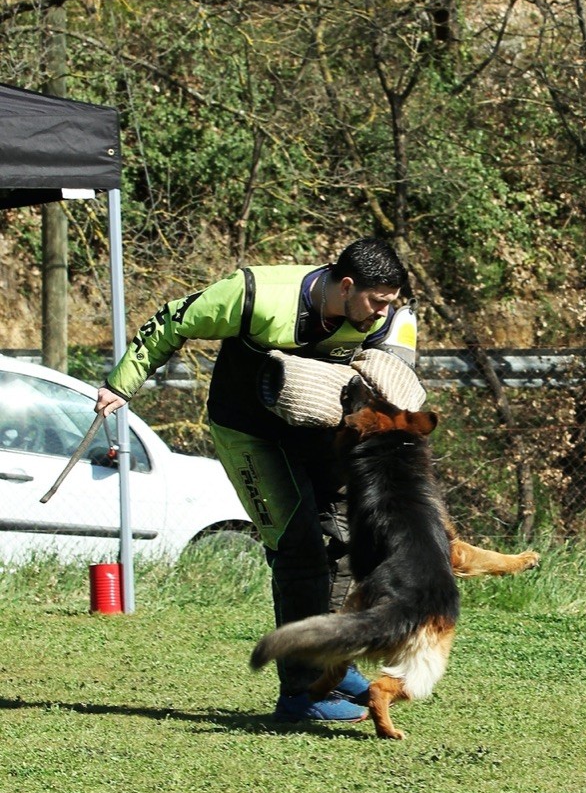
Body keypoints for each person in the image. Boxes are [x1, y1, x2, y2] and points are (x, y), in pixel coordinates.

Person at [96, 237, 415, 724]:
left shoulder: (384, 319)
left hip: (318, 432)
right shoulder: (255, 294)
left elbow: (392, 378)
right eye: (376, 301)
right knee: (299, 550)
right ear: (347, 285)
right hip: (249, 434)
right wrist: (122, 384)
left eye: (389, 303)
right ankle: (301, 693)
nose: (382, 313)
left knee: (350, 539)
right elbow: (174, 319)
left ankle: (330, 663)